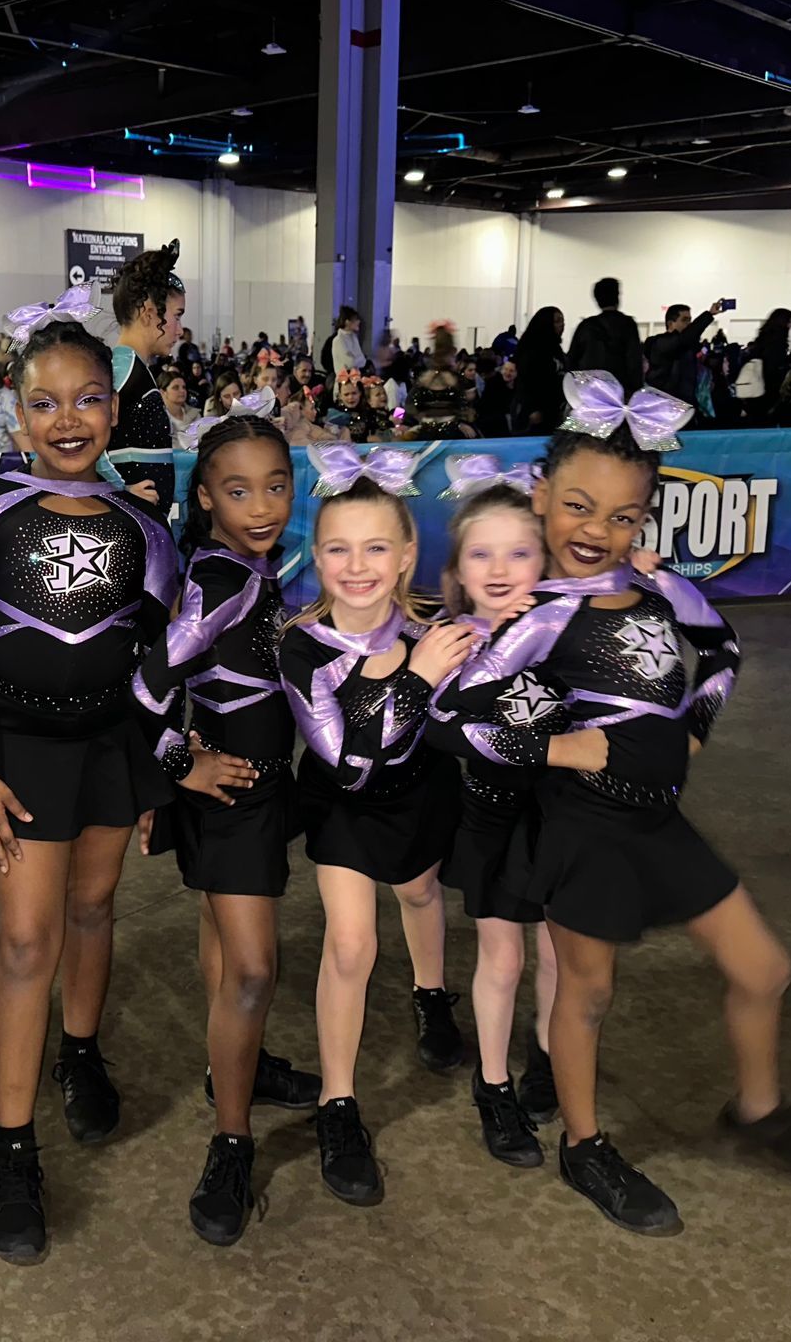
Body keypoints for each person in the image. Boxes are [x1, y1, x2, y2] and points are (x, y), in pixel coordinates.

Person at [432, 375, 791, 1235]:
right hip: (584, 829)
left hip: (659, 818)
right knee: (586, 996)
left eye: (623, 518)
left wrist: (693, 726)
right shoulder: (538, 616)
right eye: (580, 508)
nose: (598, 532)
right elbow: (449, 715)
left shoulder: (659, 591)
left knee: (764, 969)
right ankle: (585, 1147)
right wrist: (560, 745)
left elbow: (724, 647)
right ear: (543, 499)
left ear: (644, 521)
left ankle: (758, 1111)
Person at [0, 312, 178, 1264]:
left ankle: (79, 1051)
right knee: (26, 939)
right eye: (45, 402)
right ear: (15, 417)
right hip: (21, 747)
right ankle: (13, 1148)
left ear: (114, 408)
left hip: (111, 744)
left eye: (87, 399)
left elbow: (155, 660)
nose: (68, 419)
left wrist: (160, 766)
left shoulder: (144, 525)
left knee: (92, 907)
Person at [132, 412, 319, 1245]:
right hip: (231, 793)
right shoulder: (224, 580)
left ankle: (229, 1070)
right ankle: (232, 1139)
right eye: (238, 490)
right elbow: (142, 689)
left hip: (252, 790)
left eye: (276, 486)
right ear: (205, 497)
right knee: (251, 972)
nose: (262, 505)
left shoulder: (252, 569)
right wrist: (179, 765)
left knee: (221, 946)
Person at [278, 446, 473, 1208]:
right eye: (337, 548)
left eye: (376, 547)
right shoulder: (304, 644)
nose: (356, 566)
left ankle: (432, 994)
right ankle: (338, 1101)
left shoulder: (436, 620)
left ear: (406, 555)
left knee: (421, 895)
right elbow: (350, 764)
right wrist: (418, 678)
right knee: (352, 943)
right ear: (316, 552)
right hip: (344, 802)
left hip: (420, 793)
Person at [427, 462, 564, 1167]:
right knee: (502, 957)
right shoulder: (454, 642)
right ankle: (493, 1083)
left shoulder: (568, 631)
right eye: (483, 553)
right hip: (492, 820)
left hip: (566, 821)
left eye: (520, 552)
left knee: (556, 954)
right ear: (457, 568)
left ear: (547, 558)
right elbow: (436, 725)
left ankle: (546, 1058)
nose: (502, 568)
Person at [106, 238, 187, 510]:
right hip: (131, 520)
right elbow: (85, 438)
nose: (180, 330)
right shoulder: (123, 368)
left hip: (142, 520)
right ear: (149, 314)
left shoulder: (133, 367)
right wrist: (119, 490)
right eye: (177, 315)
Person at [644, 302, 726, 411]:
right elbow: (684, 339)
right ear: (670, 323)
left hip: (686, 404)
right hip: (665, 405)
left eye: (689, 320)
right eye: (684, 320)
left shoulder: (688, 345)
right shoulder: (660, 342)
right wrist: (708, 314)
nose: (689, 324)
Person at [565, 278, 643, 392]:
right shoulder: (628, 325)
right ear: (617, 297)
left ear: (597, 299)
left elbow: (572, 362)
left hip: (589, 391)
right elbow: (634, 362)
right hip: (618, 392)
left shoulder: (586, 326)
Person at [512, 306, 567, 434]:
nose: (562, 325)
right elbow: (525, 381)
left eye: (563, 321)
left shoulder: (557, 350)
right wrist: (532, 409)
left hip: (554, 411)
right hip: (535, 413)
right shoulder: (533, 349)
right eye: (557, 321)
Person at [741, 308, 791, 425]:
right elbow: (773, 368)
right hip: (769, 390)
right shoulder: (777, 342)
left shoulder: (762, 339)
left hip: (755, 389)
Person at [320, 305, 367, 379]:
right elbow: (350, 363)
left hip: (356, 379)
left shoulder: (354, 338)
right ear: (347, 322)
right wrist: (356, 359)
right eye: (356, 319)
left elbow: (363, 361)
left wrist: (354, 359)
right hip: (343, 381)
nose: (359, 322)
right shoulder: (338, 340)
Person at [160, 368, 201, 442]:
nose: (182, 391)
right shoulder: (156, 419)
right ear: (163, 392)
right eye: (176, 388)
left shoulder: (195, 415)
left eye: (184, 387)